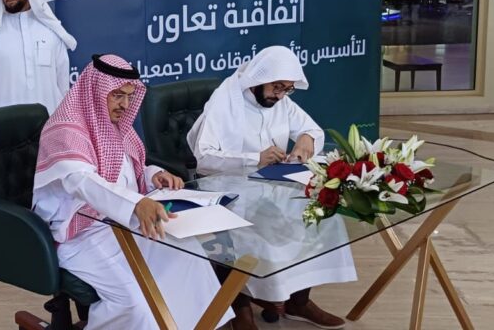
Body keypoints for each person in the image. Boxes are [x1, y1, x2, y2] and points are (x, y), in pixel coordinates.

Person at [31, 54, 235, 329]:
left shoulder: (116, 124)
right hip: (81, 234)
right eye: (117, 95)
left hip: (123, 223)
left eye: (129, 96)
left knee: (191, 259)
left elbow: (127, 171)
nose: (125, 105)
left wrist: (154, 176)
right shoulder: (64, 130)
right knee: (137, 301)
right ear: (96, 90)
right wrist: (136, 204)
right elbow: (83, 182)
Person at [187, 46, 356, 330]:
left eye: (287, 89)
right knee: (251, 228)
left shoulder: (281, 102)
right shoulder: (225, 101)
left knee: (317, 215)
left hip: (270, 186)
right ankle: (239, 306)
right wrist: (254, 158)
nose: (280, 95)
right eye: (277, 87)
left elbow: (312, 130)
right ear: (258, 79)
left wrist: (305, 141)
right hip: (226, 188)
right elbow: (204, 158)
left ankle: (298, 301)